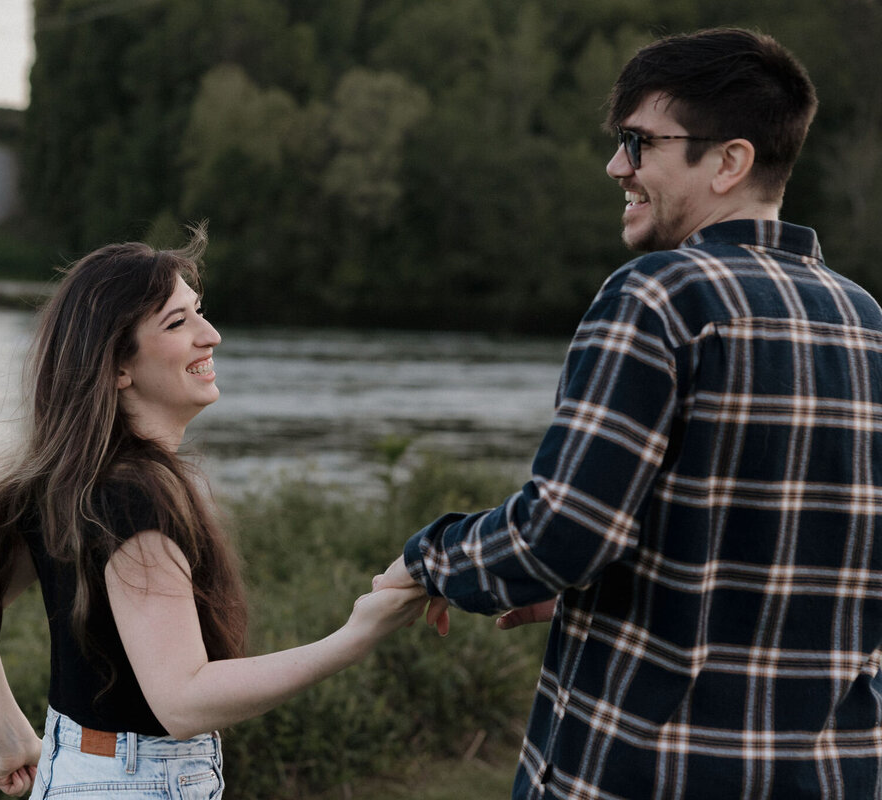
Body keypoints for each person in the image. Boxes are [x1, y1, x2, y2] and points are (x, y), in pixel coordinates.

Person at [376, 27, 882, 799]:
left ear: (729, 161)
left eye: (639, 143)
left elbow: (560, 536)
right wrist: (601, 578)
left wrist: (431, 557)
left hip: (645, 773)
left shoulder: (656, 295)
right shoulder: (867, 320)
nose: (617, 166)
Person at [0, 228, 427, 798]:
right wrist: (354, 637)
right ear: (118, 367)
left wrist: (15, 741)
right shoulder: (134, 496)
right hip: (139, 781)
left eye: (199, 313)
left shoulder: (65, 480)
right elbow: (182, 700)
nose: (211, 336)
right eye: (178, 324)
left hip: (76, 770)